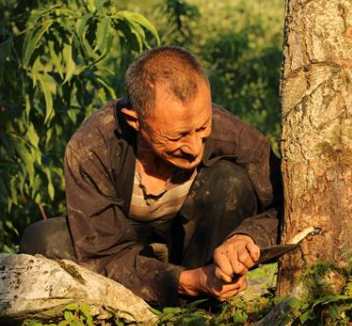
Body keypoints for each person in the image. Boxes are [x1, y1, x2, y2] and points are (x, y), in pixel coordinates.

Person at [20, 46, 282, 307]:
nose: (194, 148)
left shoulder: (235, 136)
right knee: (43, 240)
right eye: (177, 136)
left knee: (231, 181)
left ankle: (204, 309)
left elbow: (288, 206)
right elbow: (103, 257)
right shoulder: (91, 148)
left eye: (203, 128)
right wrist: (188, 281)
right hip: (123, 249)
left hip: (198, 254)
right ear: (135, 121)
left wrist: (246, 238)